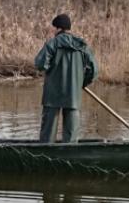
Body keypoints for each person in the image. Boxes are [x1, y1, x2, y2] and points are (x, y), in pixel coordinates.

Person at [34, 14, 98, 143]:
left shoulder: (52, 44)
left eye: (54, 28)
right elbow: (94, 71)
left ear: (58, 29)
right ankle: (70, 155)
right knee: (71, 136)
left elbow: (40, 64)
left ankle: (46, 155)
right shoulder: (82, 46)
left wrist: (48, 68)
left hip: (52, 94)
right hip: (73, 95)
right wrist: (81, 83)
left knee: (47, 135)